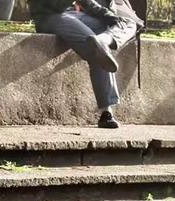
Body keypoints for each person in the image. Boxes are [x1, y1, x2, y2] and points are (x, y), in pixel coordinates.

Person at [28, 0, 140, 129]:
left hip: (76, 15)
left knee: (128, 23)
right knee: (95, 50)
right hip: (50, 16)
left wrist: (110, 17)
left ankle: (105, 39)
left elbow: (87, 2)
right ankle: (106, 111)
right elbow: (56, 6)